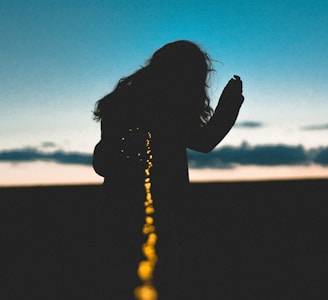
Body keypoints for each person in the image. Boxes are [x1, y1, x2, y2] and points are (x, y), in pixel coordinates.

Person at [92, 40, 244, 299]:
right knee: (157, 273)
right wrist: (230, 104)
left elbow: (103, 163)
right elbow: (204, 141)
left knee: (124, 276)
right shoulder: (159, 103)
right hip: (157, 204)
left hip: (117, 203)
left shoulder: (128, 98)